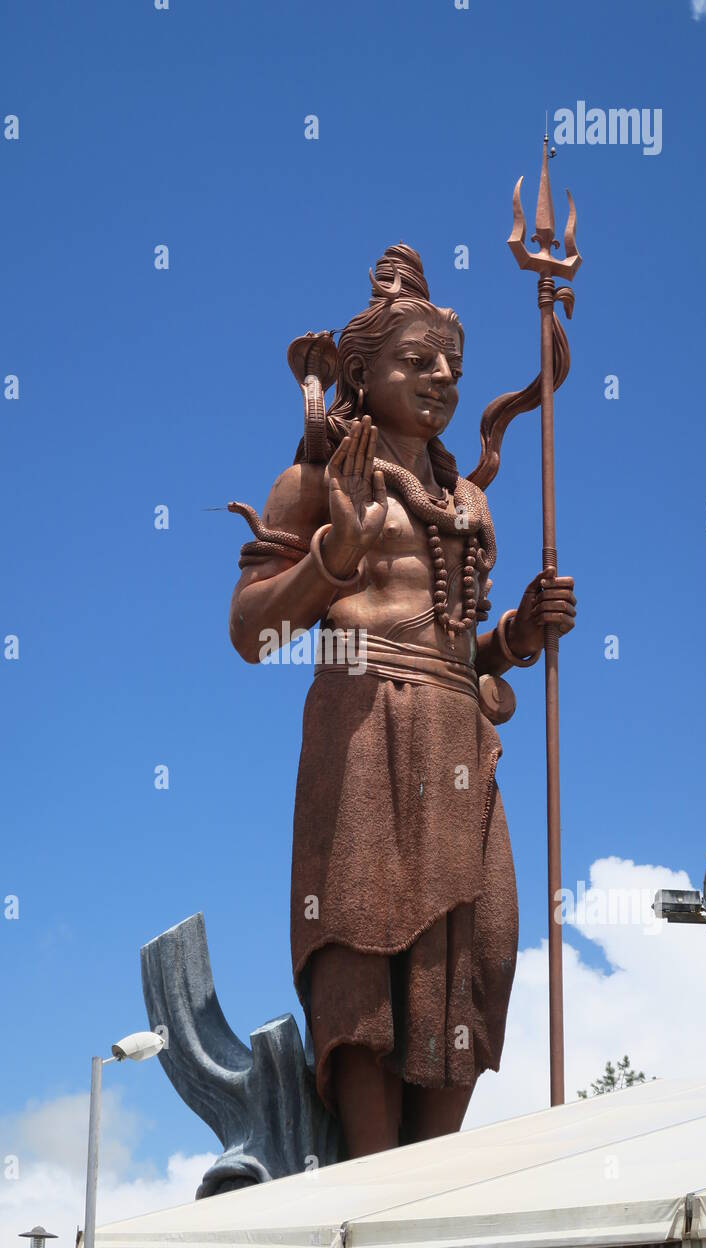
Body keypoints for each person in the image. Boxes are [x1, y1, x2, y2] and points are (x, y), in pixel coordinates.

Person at [229, 245, 576, 1157]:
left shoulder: (467, 499)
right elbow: (252, 633)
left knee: (479, 953)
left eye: (451, 363)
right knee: (363, 954)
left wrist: (521, 637)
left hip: (459, 735)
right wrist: (329, 559)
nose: (442, 377)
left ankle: (425, 1192)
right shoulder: (313, 482)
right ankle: (370, 1192)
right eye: (416, 361)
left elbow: (465, 639)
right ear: (361, 372)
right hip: (363, 721)